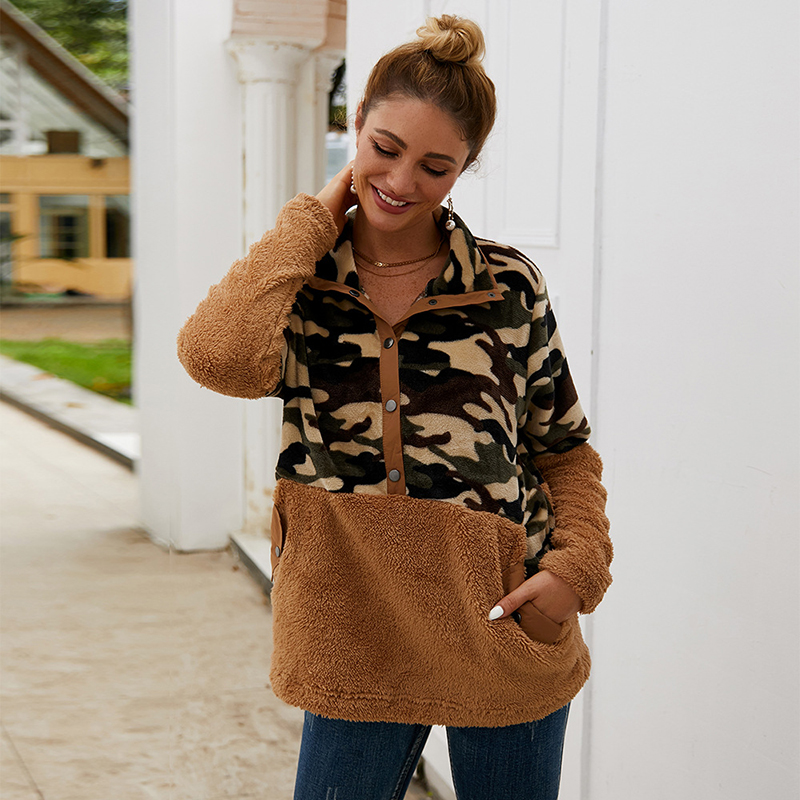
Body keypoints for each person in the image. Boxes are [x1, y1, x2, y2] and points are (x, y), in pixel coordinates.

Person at [178, 14, 612, 800]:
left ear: (464, 168)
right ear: (356, 124)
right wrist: (313, 219)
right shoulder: (301, 284)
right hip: (352, 626)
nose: (403, 181)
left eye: (436, 166)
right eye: (385, 148)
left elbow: (563, 448)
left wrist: (573, 574)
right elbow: (216, 358)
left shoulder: (507, 285)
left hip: (502, 623)